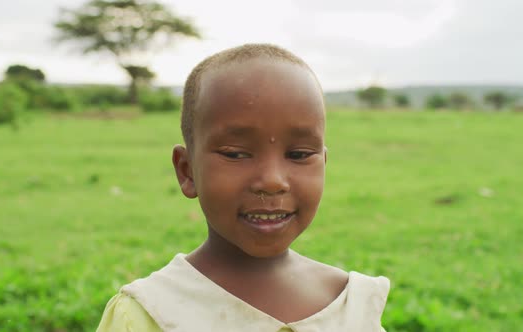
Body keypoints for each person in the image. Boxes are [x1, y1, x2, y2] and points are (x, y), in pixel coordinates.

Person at [96, 43, 390, 332]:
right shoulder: (147, 314)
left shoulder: (353, 307)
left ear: (324, 163)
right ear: (187, 171)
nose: (273, 181)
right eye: (235, 154)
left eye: (299, 155)